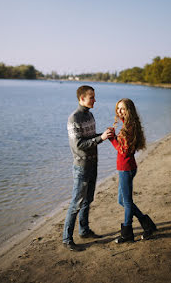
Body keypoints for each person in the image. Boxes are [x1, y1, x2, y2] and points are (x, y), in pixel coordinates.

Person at [62, 85, 113, 251]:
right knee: (76, 202)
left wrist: (103, 135)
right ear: (81, 99)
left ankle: (84, 231)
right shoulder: (73, 119)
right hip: (81, 166)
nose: (95, 100)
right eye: (91, 97)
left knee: (88, 200)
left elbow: (90, 137)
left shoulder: (89, 115)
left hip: (93, 163)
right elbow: (79, 144)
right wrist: (101, 138)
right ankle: (67, 239)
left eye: (94, 97)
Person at [109, 98, 157, 243]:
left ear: (129, 110)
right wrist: (116, 137)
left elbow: (123, 151)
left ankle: (127, 234)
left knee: (127, 202)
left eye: (122, 109)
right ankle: (147, 224)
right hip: (128, 167)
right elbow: (127, 148)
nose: (119, 111)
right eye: (118, 109)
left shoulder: (127, 128)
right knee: (122, 200)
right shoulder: (129, 125)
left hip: (126, 168)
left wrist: (112, 139)